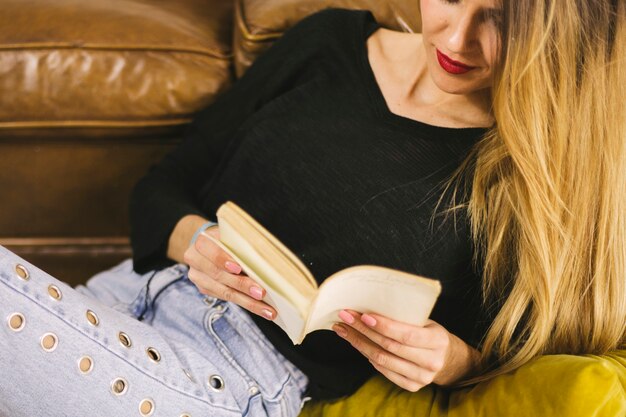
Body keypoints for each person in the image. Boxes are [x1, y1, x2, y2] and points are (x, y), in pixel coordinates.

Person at [1, 0, 624, 415]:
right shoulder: (328, 42)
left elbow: (552, 344)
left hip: (222, 378)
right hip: (119, 298)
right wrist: (198, 241)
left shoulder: (536, 166)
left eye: (503, 21)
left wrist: (457, 361)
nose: (458, 37)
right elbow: (161, 188)